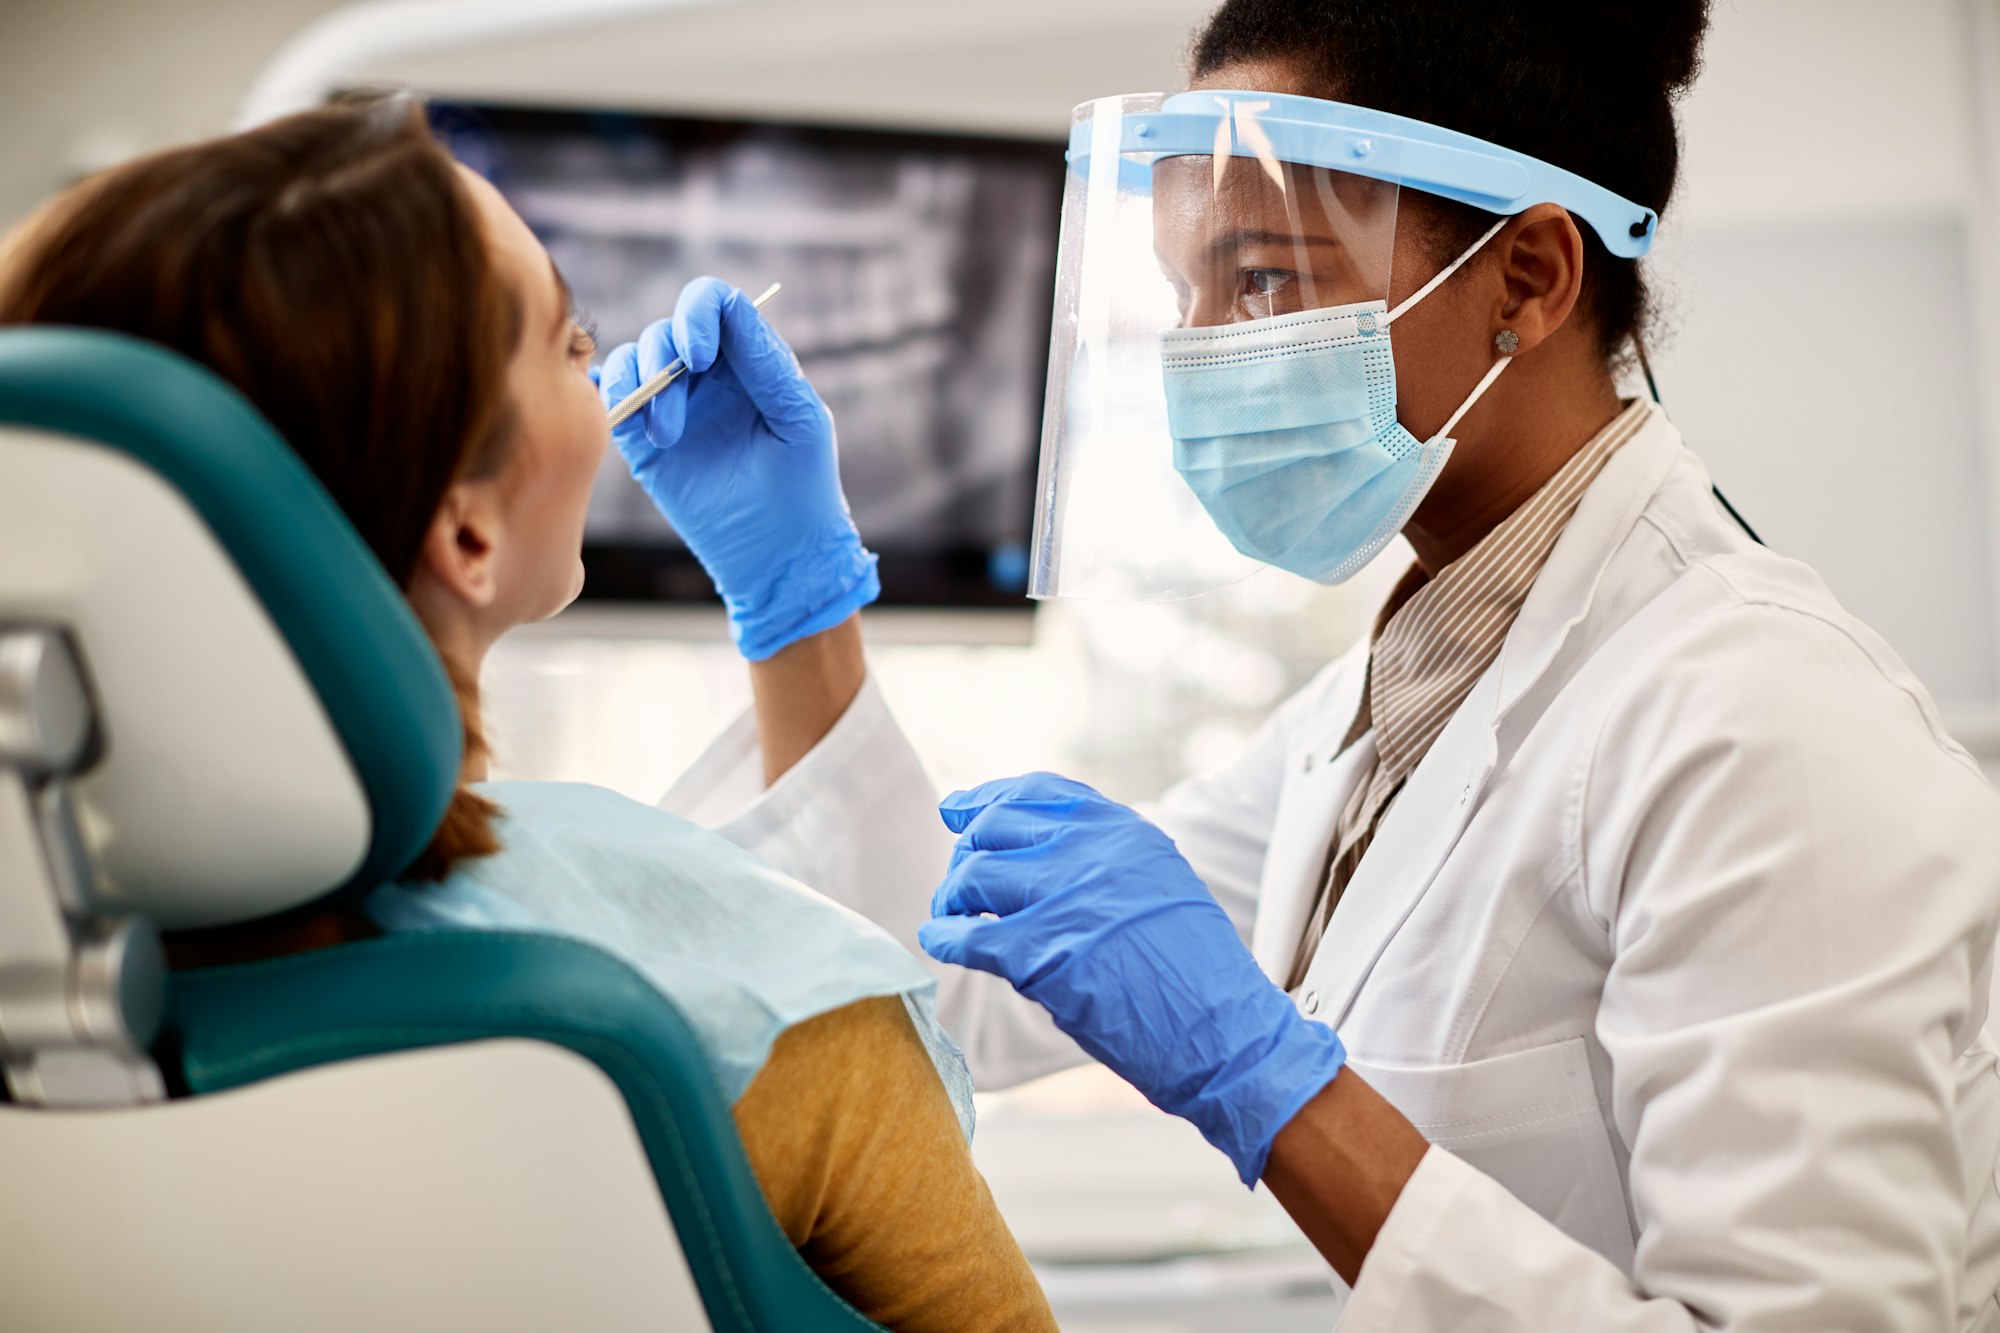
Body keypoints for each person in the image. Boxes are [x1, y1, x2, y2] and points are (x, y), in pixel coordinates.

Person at [601, 1, 2000, 1328]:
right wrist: (795, 599)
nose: (1202, 353)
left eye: (1263, 276)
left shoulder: (1768, 721)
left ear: (1530, 275)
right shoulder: (1389, 702)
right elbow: (941, 982)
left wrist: (1267, 1086)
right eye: (1184, 293)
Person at [0, 95, 1057, 1333]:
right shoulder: (788, 1040)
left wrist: (794, 607)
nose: (603, 365)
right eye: (570, 342)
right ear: (465, 530)